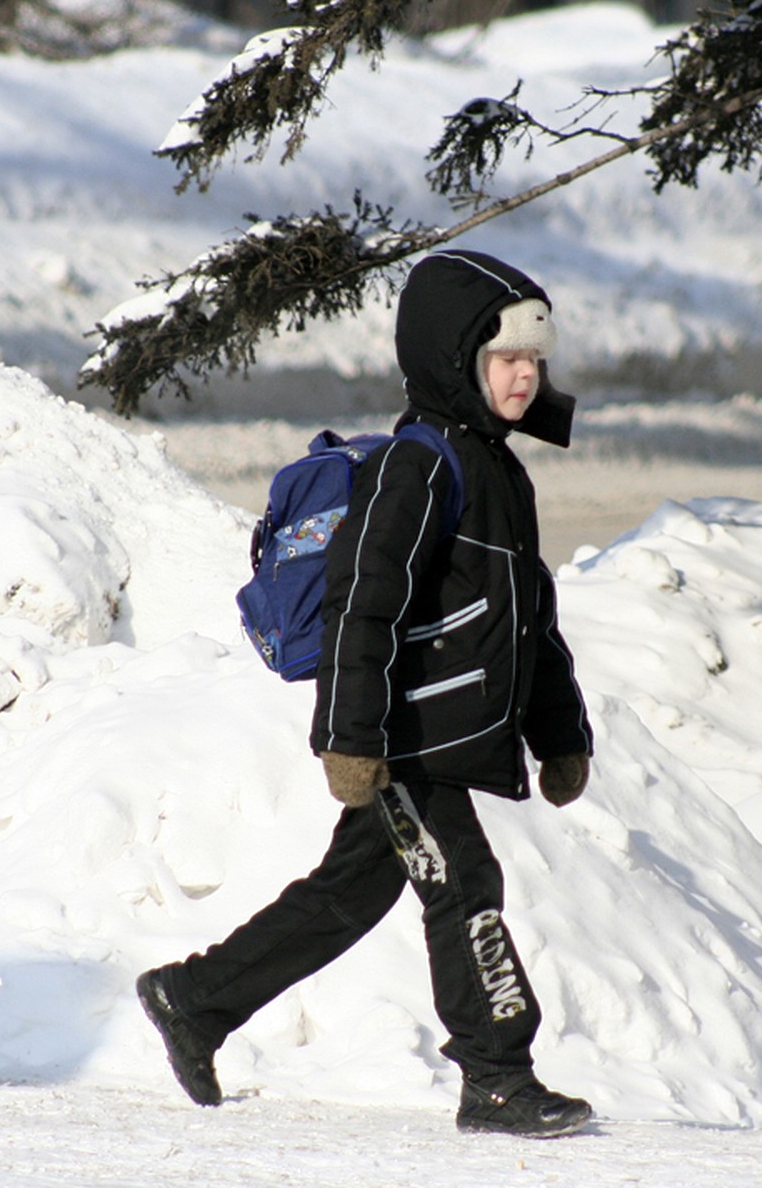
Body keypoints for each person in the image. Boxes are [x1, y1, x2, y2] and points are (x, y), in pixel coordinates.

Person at [136, 250, 595, 1137]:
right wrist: (348, 739)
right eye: (505, 359)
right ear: (453, 361)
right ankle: (497, 1074)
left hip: (439, 738)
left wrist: (560, 733)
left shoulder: (501, 473)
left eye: (534, 360)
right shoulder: (417, 469)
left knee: (349, 894)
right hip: (403, 740)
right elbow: (362, 608)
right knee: (465, 882)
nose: (525, 375)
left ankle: (194, 1000)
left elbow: (528, 618)